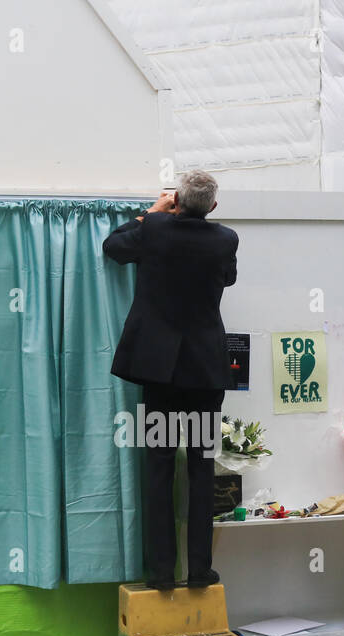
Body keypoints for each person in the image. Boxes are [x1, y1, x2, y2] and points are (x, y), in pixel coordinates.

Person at [103, 170, 239, 590]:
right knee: (200, 470)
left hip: (159, 372)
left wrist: (152, 211)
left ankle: (161, 572)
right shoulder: (226, 239)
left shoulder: (156, 228)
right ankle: (199, 570)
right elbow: (228, 278)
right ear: (213, 207)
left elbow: (113, 248)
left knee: (160, 467)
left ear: (175, 200)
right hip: (203, 374)